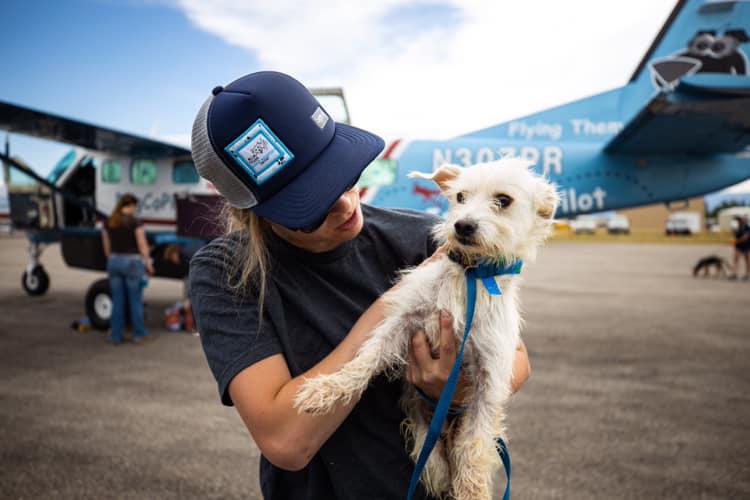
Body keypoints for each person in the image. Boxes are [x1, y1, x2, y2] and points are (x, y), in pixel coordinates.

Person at [188, 71, 530, 499]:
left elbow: (515, 358)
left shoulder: (426, 237)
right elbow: (286, 441)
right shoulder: (227, 272)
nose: (348, 204)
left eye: (345, 175)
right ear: (253, 210)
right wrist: (397, 303)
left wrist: (458, 389)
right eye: (311, 202)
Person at [101, 193, 154, 344]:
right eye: (135, 206)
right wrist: (148, 263)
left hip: (114, 261)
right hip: (132, 262)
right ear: (130, 205)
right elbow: (142, 245)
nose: (135, 210)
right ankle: (139, 334)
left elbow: (106, 248)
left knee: (117, 300)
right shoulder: (136, 222)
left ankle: (115, 335)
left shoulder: (109, 222)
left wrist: (113, 260)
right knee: (135, 300)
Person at [729, 215, 750, 280]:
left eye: (741, 220)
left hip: (747, 246)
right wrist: (733, 232)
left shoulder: (747, 228)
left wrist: (736, 241)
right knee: (736, 260)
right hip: (739, 246)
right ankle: (734, 273)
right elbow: (736, 235)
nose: (739, 221)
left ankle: (747, 274)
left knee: (747, 261)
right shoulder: (738, 228)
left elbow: (745, 237)